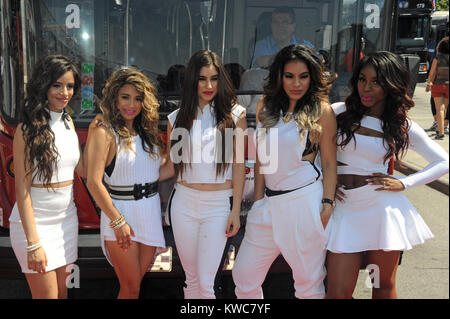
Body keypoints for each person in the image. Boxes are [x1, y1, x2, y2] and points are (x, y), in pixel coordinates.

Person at [326, 51, 449, 299]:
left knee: (381, 287)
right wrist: (323, 183)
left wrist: (404, 183)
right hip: (344, 209)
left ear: (391, 85)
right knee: (338, 292)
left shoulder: (401, 124)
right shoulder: (338, 112)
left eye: (376, 81)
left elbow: (443, 162)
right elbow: (313, 153)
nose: (366, 87)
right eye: (362, 79)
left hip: (380, 213)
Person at [232, 44, 337, 299]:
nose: (296, 83)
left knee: (308, 284)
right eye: (290, 76)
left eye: (303, 76)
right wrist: (258, 201)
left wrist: (327, 204)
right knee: (244, 277)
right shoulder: (266, 106)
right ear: (280, 76)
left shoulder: (321, 111)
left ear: (312, 77)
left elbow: (330, 163)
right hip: (267, 205)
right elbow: (260, 159)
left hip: (303, 203)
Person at [165, 50, 247, 299]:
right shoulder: (177, 118)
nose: (209, 85)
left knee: (206, 283)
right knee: (190, 281)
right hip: (183, 203)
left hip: (217, 207)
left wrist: (235, 211)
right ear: (192, 80)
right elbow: (172, 166)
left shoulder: (235, 116)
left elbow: (239, 165)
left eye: (214, 78)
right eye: (202, 79)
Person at [86, 68, 171, 299]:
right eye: (125, 97)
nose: (131, 104)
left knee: (135, 286)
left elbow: (161, 172)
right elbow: (94, 182)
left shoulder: (148, 134)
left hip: (149, 212)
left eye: (137, 98)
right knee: (131, 287)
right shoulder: (104, 132)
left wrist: (179, 138)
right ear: (114, 97)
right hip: (121, 214)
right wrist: (117, 221)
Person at [9, 55, 85, 298]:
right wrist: (33, 244)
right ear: (44, 86)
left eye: (70, 86)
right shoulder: (26, 129)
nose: (65, 92)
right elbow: (22, 190)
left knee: (62, 295)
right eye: (57, 85)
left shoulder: (68, 121)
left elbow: (82, 170)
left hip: (66, 222)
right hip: (35, 225)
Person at [426, 36, 449, 140]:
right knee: (444, 107)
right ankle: (441, 127)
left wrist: (429, 83)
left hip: (438, 85)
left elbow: (432, 73)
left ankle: (440, 132)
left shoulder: (437, 58)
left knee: (439, 108)